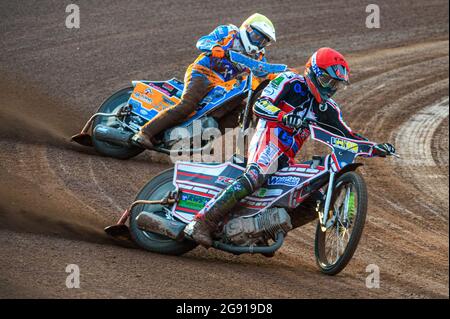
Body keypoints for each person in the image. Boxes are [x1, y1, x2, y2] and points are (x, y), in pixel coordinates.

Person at [188, 47, 396, 247]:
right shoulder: (289, 81)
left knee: (313, 201)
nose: (330, 89)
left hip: (287, 157)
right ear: (313, 72)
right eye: (327, 81)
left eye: (336, 85)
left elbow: (348, 135)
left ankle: (262, 232)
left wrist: (375, 148)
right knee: (256, 175)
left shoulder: (328, 109)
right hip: (269, 137)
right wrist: (283, 116)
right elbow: (260, 104)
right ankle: (201, 221)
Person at [132, 13, 277, 149]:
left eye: (264, 41)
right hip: (202, 73)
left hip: (223, 86)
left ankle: (199, 141)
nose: (260, 43)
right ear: (247, 28)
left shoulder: (258, 55)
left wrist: (280, 74)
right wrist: (214, 47)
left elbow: (263, 70)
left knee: (239, 112)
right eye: (258, 37)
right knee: (188, 104)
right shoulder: (228, 32)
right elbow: (203, 41)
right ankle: (145, 132)